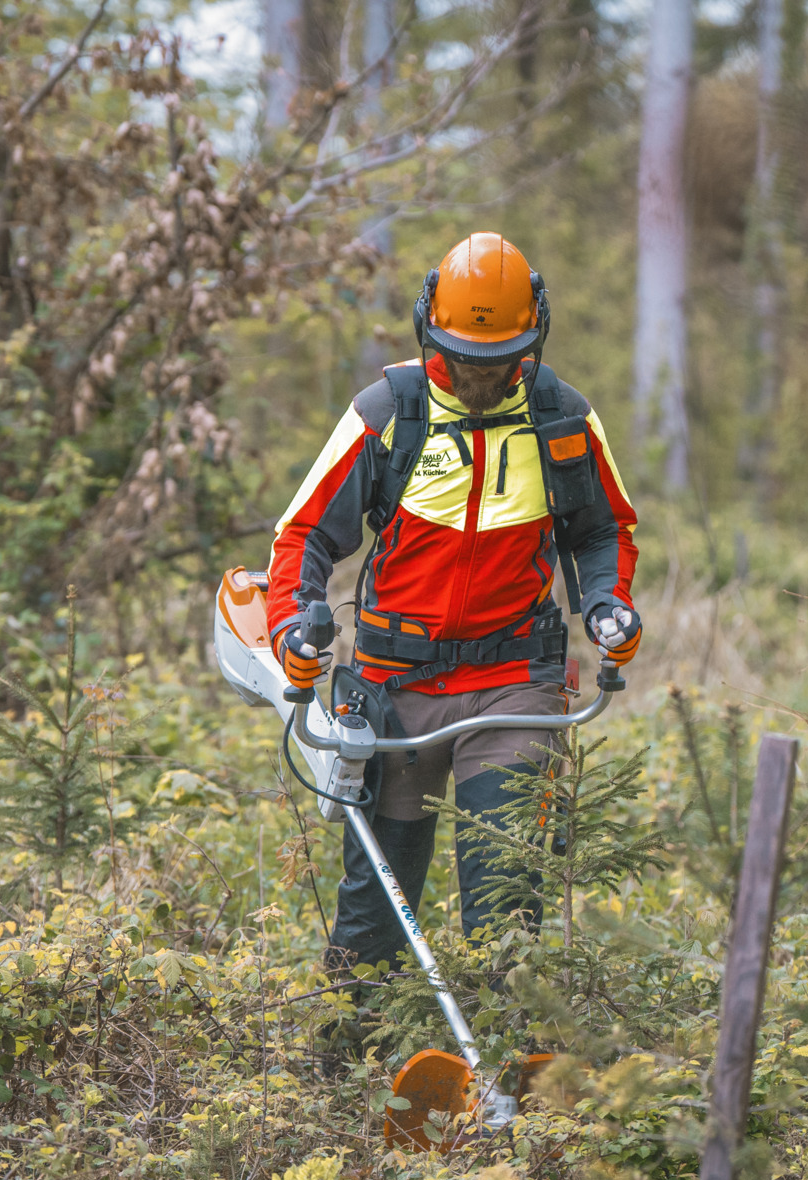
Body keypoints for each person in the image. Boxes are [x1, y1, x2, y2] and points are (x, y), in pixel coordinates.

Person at [265, 231, 642, 977]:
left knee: (506, 904)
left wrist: (607, 605)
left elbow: (604, 530)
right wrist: (291, 624)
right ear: (427, 329)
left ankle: (509, 1073)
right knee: (374, 913)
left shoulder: (561, 419)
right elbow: (303, 534)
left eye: (500, 358)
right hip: (393, 690)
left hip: (514, 687)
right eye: (464, 356)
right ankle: (350, 1072)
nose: (479, 374)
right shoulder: (386, 414)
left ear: (532, 339)